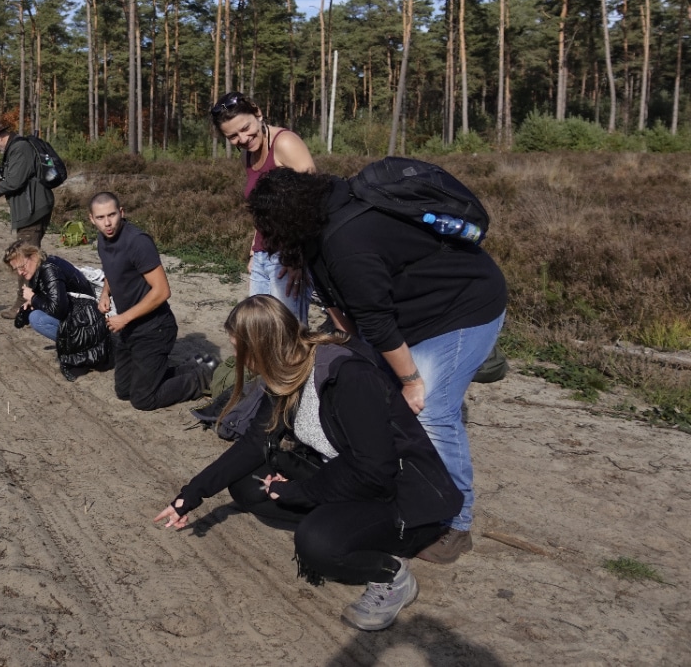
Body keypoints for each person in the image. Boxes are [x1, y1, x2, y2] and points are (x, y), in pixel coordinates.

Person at [154, 295, 461, 632]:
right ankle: (339, 525)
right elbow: (256, 443)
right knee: (246, 484)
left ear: (264, 347)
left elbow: (374, 470)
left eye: (242, 351)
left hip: (398, 496)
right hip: (345, 476)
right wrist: (190, 496)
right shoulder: (286, 371)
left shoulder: (346, 376)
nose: (242, 361)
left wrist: (297, 492)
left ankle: (391, 574)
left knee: (316, 545)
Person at [248, 167, 507, 564]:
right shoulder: (320, 226)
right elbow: (341, 308)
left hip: (463, 308)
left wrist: (410, 381)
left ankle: (456, 523)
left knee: (433, 412)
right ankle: (390, 481)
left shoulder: (347, 239)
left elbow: (375, 320)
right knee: (379, 391)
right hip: (413, 312)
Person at [88, 192, 209, 411]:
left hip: (155, 329)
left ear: (121, 212)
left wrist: (123, 317)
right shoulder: (102, 240)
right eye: (100, 217)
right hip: (130, 329)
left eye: (112, 215)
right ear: (91, 219)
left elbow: (162, 291)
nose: (107, 223)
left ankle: (201, 377)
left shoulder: (137, 242)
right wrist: (105, 293)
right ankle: (188, 367)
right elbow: (111, 271)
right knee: (123, 391)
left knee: (143, 400)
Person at [210, 92, 315, 321]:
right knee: (261, 330)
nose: (243, 138)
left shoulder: (285, 143)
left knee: (288, 335)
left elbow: (315, 200)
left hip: (289, 256)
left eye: (246, 128)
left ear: (258, 113)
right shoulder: (247, 156)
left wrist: (298, 257)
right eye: (233, 136)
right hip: (262, 255)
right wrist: (253, 250)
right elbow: (262, 208)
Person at [3, 241, 110, 381]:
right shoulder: (43, 265)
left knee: (37, 319)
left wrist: (34, 298)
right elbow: (54, 298)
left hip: (90, 319)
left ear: (33, 255)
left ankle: (80, 352)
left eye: (22, 266)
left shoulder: (49, 269)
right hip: (83, 314)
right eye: (16, 269)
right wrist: (30, 305)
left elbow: (58, 309)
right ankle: (80, 348)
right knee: (34, 312)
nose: (20, 272)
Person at [0, 121, 55, 319]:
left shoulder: (19, 148)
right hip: (30, 209)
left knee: (25, 259)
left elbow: (15, 182)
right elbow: (19, 177)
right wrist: (1, 183)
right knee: (32, 256)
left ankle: (24, 303)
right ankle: (42, 297)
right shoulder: (17, 148)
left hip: (33, 210)